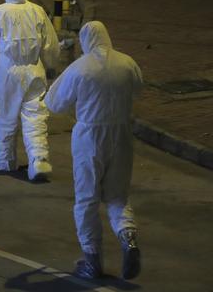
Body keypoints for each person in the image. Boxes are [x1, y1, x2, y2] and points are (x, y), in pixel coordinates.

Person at [44, 21, 143, 280]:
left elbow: (54, 103)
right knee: (117, 196)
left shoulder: (80, 68)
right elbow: (138, 90)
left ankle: (92, 259)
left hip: (90, 136)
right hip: (121, 134)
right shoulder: (127, 63)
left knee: (87, 199)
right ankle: (128, 236)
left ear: (86, 40)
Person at [0, 0, 59, 181]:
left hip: (9, 70)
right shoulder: (38, 11)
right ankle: (39, 158)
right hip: (34, 68)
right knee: (35, 114)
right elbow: (50, 44)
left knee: (8, 114)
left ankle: (5, 160)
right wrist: (51, 66)